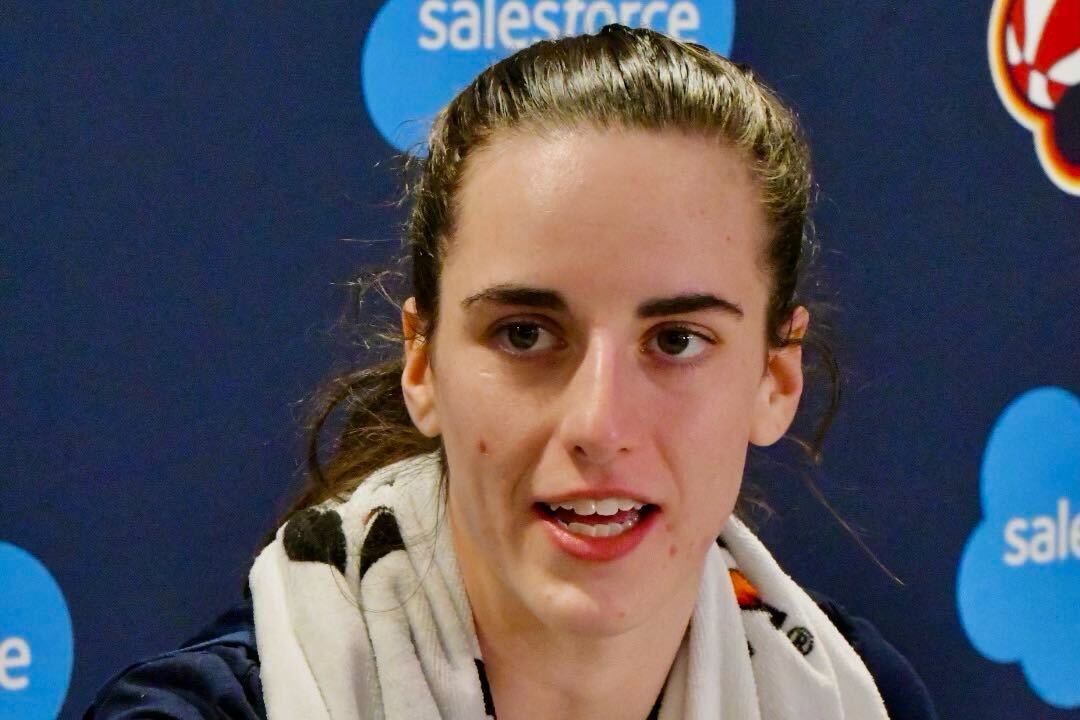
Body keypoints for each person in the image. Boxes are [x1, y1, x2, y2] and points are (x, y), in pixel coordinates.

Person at [87, 24, 938, 720]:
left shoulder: (860, 695)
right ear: (422, 361)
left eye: (676, 341)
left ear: (775, 379)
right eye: (526, 334)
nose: (600, 426)